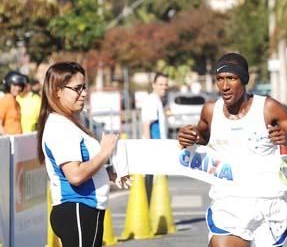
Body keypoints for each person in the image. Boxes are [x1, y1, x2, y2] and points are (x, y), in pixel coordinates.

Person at [177, 52, 287, 247]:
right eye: (220, 79)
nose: (224, 86)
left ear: (243, 80)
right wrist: (190, 137)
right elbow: (202, 137)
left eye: (231, 79)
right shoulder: (210, 110)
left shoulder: (268, 108)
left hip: (267, 206)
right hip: (228, 204)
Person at [36, 62, 129, 247]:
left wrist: (109, 174)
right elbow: (75, 175)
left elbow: (85, 164)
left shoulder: (70, 122)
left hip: (85, 210)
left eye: (84, 87)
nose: (84, 93)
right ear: (57, 91)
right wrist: (105, 151)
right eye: (77, 88)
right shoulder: (59, 126)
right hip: (76, 208)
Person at [141, 72, 169, 202]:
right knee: (152, 181)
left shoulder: (157, 101)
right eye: (160, 84)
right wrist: (149, 147)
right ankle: (150, 209)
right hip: (154, 148)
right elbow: (147, 125)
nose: (164, 87)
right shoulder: (151, 100)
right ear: (153, 85)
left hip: (159, 148)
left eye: (165, 84)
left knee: (159, 182)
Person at [0, 71, 27, 135]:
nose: (18, 88)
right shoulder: (4, 100)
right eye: (14, 85)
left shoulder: (17, 103)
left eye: (20, 85)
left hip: (17, 141)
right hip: (8, 142)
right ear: (8, 85)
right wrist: (7, 138)